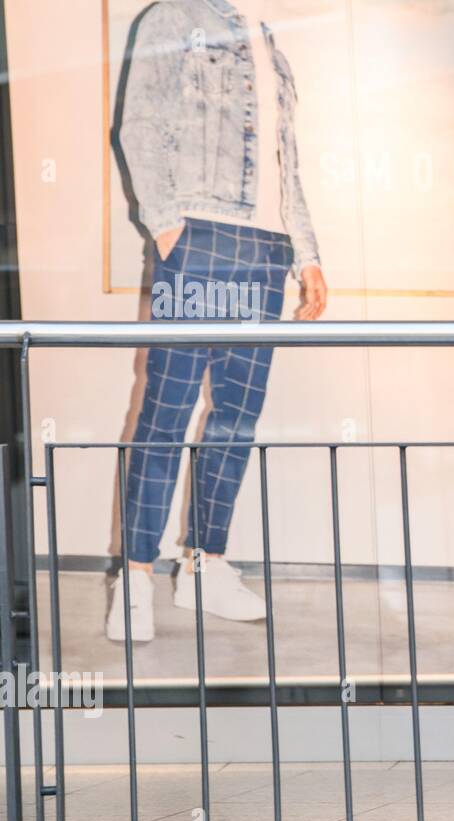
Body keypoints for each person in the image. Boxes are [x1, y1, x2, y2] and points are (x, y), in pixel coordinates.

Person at [107, 0, 327, 644]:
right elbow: (138, 124)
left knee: (237, 417)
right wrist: (167, 226)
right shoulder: (173, 17)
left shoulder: (270, 39)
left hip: (265, 248)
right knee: (166, 414)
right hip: (198, 233)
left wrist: (306, 253)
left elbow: (286, 164)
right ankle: (135, 578)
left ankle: (205, 565)